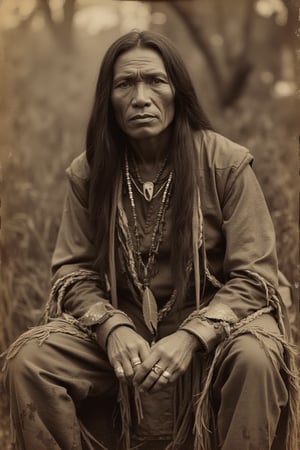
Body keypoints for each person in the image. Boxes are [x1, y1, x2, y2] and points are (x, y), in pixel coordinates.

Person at [3, 30, 298, 450]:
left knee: (256, 357)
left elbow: (255, 276)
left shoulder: (225, 163)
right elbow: (73, 270)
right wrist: (112, 327)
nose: (141, 97)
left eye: (155, 81)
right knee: (30, 362)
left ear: (178, 90)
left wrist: (192, 335)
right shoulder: (89, 172)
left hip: (214, 328)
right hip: (125, 330)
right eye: (125, 84)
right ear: (109, 97)